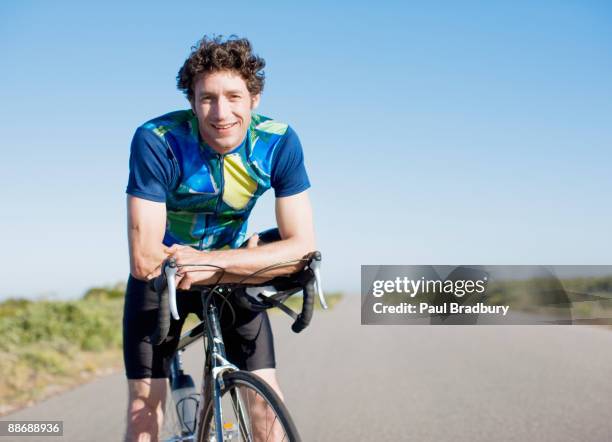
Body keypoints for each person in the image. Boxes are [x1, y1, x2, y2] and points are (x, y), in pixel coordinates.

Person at [123, 35, 315, 441]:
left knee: (265, 404)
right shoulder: (158, 140)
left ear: (254, 98)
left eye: (234, 96)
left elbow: (302, 246)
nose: (221, 112)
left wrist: (216, 263)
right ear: (192, 102)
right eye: (207, 98)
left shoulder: (278, 141)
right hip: (166, 280)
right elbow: (144, 259)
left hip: (229, 271)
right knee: (144, 411)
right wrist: (248, 261)